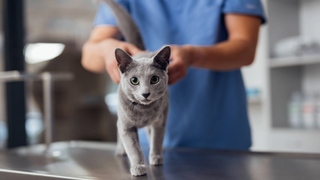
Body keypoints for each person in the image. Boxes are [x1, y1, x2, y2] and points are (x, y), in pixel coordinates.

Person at [82, 0, 266, 150]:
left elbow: (246, 48)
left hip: (219, 137)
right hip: (145, 140)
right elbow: (89, 56)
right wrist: (107, 50)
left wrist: (195, 55)